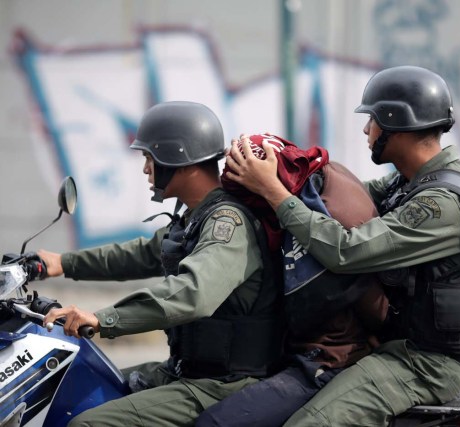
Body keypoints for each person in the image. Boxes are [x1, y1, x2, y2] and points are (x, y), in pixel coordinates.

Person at [225, 65, 460, 426]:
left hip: (422, 365)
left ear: (396, 123)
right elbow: (341, 197)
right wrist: (288, 166)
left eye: (372, 119)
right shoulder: (407, 185)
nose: (366, 129)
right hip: (389, 346)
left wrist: (274, 191)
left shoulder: (443, 206)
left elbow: (346, 250)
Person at [38, 101, 284, 426]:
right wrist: (60, 263)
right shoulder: (195, 218)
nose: (145, 169)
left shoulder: (228, 223)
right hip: (186, 371)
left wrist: (102, 319)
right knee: (76, 385)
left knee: (87, 423)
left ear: (178, 160)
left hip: (222, 385)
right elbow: (139, 254)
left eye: (149, 158)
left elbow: (191, 294)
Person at [195, 133, 388, 427]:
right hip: (299, 355)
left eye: (247, 192)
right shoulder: (319, 176)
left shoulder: (330, 211)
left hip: (329, 361)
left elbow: (370, 298)